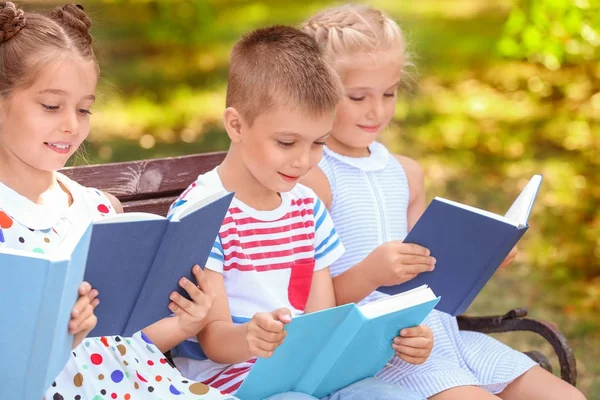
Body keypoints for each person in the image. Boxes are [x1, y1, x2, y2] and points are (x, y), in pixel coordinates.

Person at [300, 4, 587, 400]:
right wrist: (371, 273)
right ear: (317, 91)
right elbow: (306, 309)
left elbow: (429, 275)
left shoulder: (405, 172)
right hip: (387, 353)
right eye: (358, 96)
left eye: (389, 92)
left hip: (445, 338)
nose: (377, 110)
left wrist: (479, 257)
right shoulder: (316, 179)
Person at [167, 25, 432, 400]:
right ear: (236, 124)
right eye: (287, 142)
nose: (303, 160)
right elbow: (214, 342)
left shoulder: (307, 207)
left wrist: (397, 337)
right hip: (231, 382)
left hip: (307, 374)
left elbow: (321, 321)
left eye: (318, 143)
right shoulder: (203, 213)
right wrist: (251, 336)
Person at [0, 2, 237, 398]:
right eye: (51, 106)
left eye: (84, 109)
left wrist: (184, 324)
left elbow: (123, 348)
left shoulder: (98, 208)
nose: (71, 125)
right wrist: (63, 339)